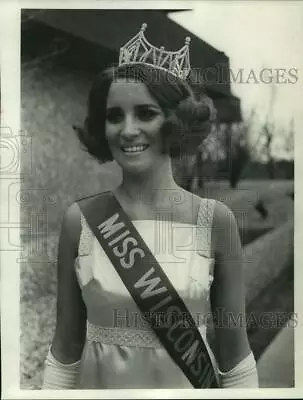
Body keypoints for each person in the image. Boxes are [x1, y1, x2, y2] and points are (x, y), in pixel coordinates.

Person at [42, 24, 258, 389]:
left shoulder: (215, 221)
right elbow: (64, 350)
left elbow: (235, 357)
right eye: (114, 116)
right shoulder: (80, 222)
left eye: (146, 113)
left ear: (176, 123)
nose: (127, 130)